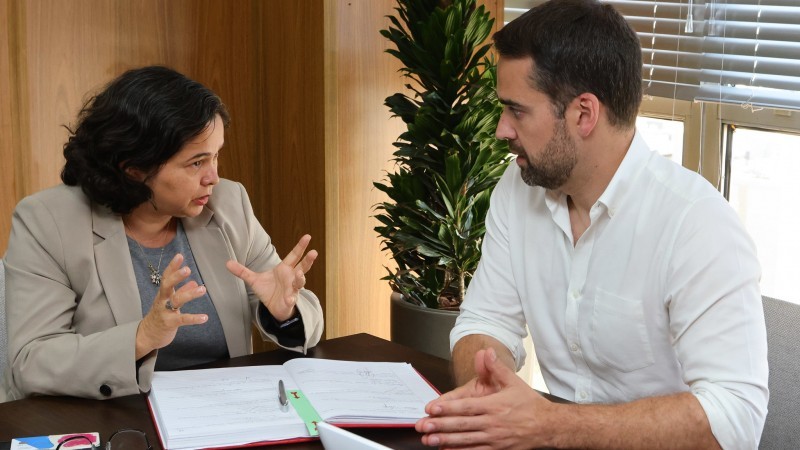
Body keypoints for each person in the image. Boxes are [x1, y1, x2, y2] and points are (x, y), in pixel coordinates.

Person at [415, 1, 768, 449]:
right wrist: (489, 383)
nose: (502, 129)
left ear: (584, 114)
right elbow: (485, 320)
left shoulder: (697, 225)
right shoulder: (518, 186)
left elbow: (735, 420)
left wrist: (551, 426)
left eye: (517, 110)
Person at [2, 66, 324, 401]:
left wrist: (285, 312)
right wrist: (141, 337)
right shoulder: (48, 220)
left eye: (217, 155)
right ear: (134, 169)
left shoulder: (230, 204)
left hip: (224, 412)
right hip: (116, 419)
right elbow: (31, 362)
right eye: (196, 163)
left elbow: (303, 318)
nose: (213, 177)